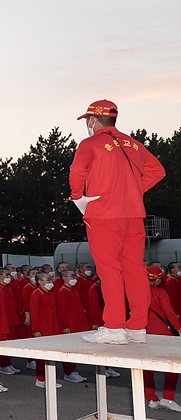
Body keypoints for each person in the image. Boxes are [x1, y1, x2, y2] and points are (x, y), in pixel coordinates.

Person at [71, 99, 165, 344]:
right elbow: (157, 170)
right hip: (134, 215)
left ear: (92, 120)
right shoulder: (133, 143)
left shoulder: (89, 143)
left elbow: (77, 171)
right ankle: (137, 328)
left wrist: (78, 198)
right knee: (135, 270)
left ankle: (114, 327)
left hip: (103, 215)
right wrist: (133, 191)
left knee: (110, 270)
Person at [144, 267, 181, 411]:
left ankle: (151, 399)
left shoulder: (136, 291)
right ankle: (168, 398)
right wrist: (179, 330)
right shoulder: (160, 292)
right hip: (163, 335)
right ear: (158, 279)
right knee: (172, 366)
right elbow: (170, 314)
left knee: (147, 369)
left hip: (144, 334)